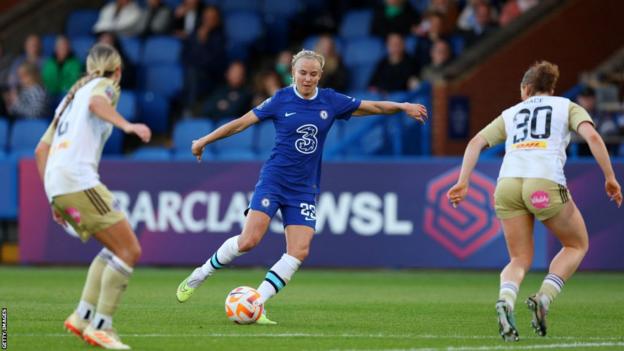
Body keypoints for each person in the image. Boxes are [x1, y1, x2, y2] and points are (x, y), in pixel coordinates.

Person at [175, 49, 427, 324]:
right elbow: (240, 124)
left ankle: (256, 303)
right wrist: (203, 141)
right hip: (274, 181)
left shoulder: (331, 100)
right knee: (249, 241)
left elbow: (373, 107)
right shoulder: (281, 99)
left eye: (313, 74)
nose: (308, 79)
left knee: (299, 251)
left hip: (304, 188)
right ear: (293, 73)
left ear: (320, 75)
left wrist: (403, 107)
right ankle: (200, 273)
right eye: (303, 73)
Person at [446, 61, 622, 341]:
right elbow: (592, 137)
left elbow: (475, 142)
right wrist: (610, 177)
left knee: (519, 258)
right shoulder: (567, 106)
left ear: (526, 88)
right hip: (543, 183)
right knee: (577, 244)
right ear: (551, 88)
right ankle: (544, 298)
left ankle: (506, 300)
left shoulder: (512, 112)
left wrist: (463, 181)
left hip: (507, 185)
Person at [34, 43, 151, 349]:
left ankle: (82, 315)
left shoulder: (67, 100)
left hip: (59, 184)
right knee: (129, 250)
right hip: (78, 179)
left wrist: (52, 198)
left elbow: (40, 150)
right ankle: (102, 326)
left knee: (113, 248)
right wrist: (127, 125)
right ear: (118, 71)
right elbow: (98, 103)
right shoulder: (104, 85)